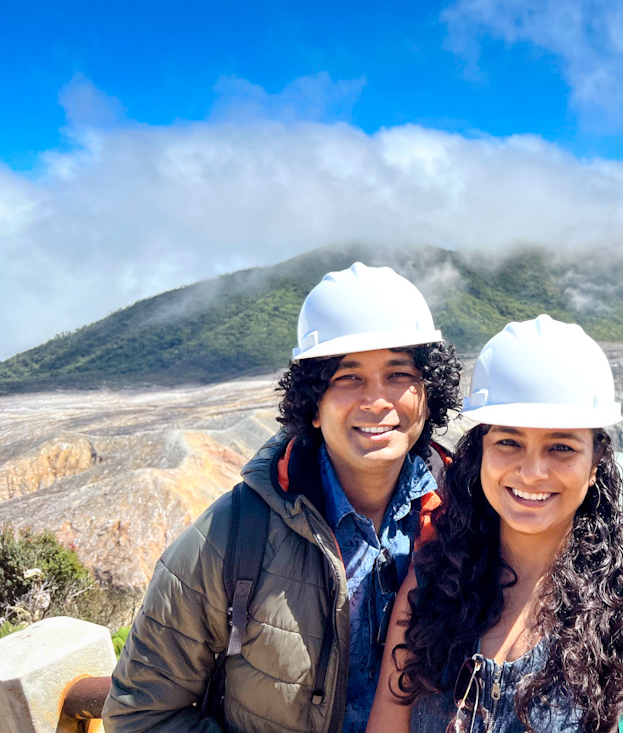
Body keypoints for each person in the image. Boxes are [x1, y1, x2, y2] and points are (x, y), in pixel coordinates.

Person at [104, 262, 463, 733]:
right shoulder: (231, 537)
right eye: (348, 378)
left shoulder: (473, 520)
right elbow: (140, 714)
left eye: (398, 374)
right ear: (312, 404)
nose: (377, 400)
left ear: (428, 394)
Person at [367, 315, 623, 733]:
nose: (533, 472)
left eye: (561, 447)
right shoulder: (428, 589)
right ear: (480, 452)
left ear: (595, 463)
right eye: (509, 442)